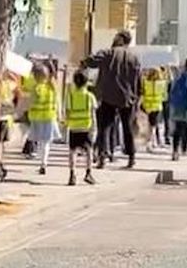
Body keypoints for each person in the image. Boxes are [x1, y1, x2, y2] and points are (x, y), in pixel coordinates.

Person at [81, 31, 141, 169]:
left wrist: (84, 63)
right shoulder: (134, 58)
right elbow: (138, 81)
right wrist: (136, 98)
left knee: (104, 127)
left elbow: (92, 60)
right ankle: (131, 157)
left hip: (108, 95)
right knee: (127, 128)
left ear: (120, 39)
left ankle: (102, 156)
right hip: (127, 97)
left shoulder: (108, 53)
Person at [65, 70, 97, 186]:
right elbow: (93, 115)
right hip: (86, 127)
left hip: (74, 128)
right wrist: (94, 129)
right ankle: (88, 173)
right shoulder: (90, 97)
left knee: (72, 152)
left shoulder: (71, 96)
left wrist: (67, 125)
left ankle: (72, 174)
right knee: (89, 151)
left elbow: (67, 112)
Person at [28, 64, 59, 175]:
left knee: (40, 141)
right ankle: (44, 162)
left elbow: (30, 103)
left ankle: (41, 160)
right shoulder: (51, 87)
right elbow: (56, 101)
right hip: (49, 117)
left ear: (35, 76)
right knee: (46, 142)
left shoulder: (35, 88)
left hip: (37, 118)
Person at [0, 71, 18, 182]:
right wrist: (10, 74)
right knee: (0, 144)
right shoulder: (9, 84)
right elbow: (16, 83)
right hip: (5, 117)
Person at [142, 67, 167, 152]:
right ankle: (151, 142)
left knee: (149, 125)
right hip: (157, 106)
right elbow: (164, 96)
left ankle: (150, 142)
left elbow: (142, 92)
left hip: (147, 106)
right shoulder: (161, 83)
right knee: (154, 125)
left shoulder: (145, 83)